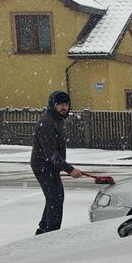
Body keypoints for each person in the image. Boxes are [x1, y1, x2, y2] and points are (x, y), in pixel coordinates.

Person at [31, 90, 82, 234]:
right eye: (60, 104)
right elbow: (51, 153)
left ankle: (44, 230)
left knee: (55, 197)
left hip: (50, 166)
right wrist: (70, 169)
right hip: (43, 166)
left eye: (66, 104)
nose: (64, 107)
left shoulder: (57, 120)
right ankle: (51, 233)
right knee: (55, 199)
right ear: (53, 105)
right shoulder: (47, 122)